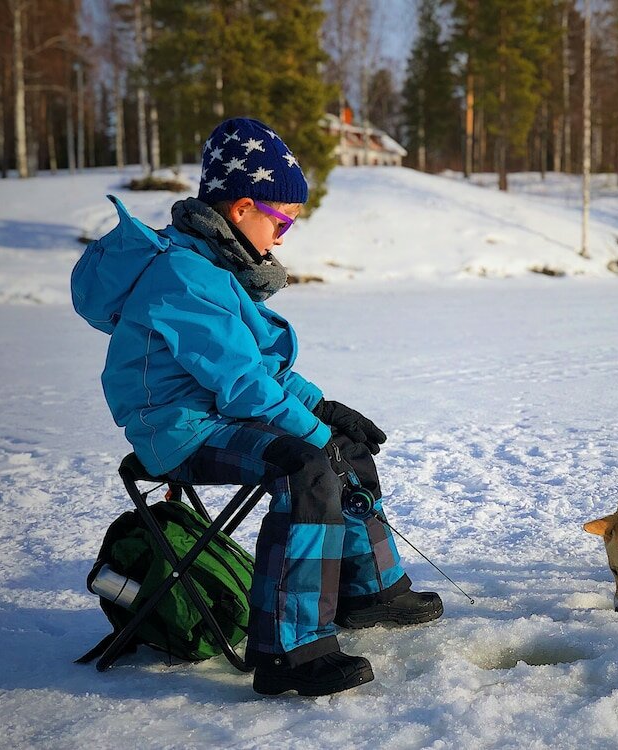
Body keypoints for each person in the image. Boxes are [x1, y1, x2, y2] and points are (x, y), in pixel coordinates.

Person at [72, 117, 443, 697]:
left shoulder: (214, 270)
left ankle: (370, 592)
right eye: (282, 219)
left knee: (346, 448)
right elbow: (243, 386)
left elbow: (263, 374)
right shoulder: (183, 275)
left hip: (216, 415)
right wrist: (313, 435)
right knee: (304, 467)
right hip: (178, 431)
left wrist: (326, 410)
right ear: (243, 207)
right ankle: (288, 649)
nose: (283, 235)